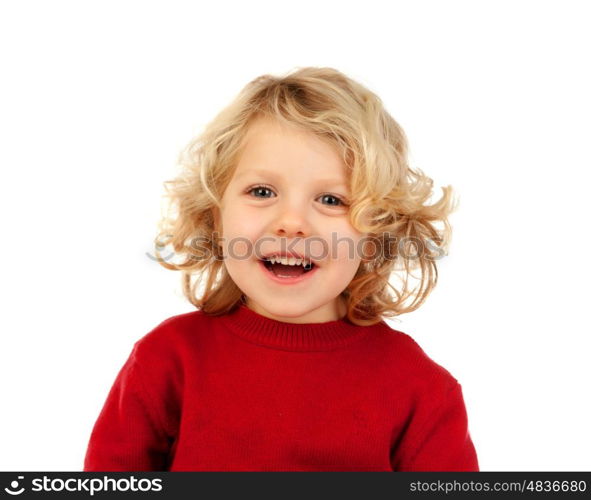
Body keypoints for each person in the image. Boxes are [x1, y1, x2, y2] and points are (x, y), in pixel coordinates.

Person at [83, 67, 479, 471]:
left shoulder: (420, 390)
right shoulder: (167, 361)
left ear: (376, 232)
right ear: (215, 216)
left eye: (331, 199)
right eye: (262, 191)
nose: (292, 222)